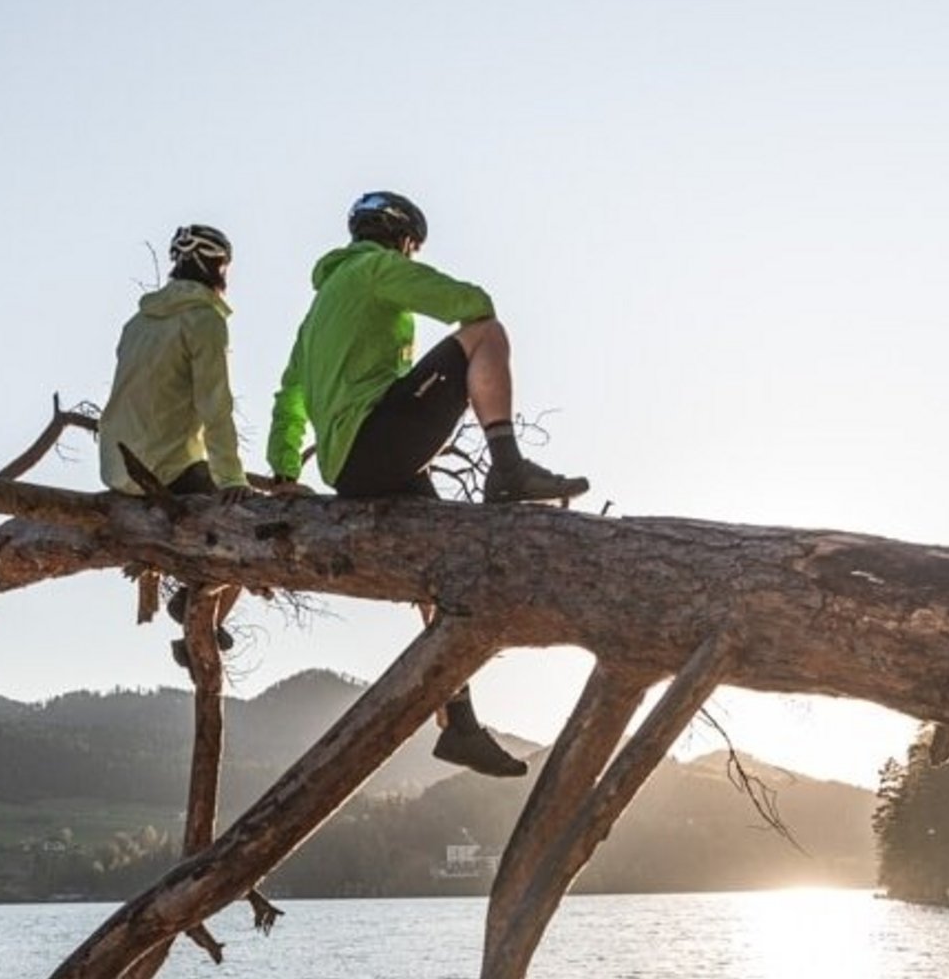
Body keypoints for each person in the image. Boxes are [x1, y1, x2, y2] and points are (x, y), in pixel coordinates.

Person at [266, 191, 587, 776]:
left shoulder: (315, 314)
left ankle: (459, 722)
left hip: (348, 469)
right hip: (375, 442)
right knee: (487, 334)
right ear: (403, 240)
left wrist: (286, 471)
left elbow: (288, 397)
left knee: (442, 577)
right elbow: (472, 303)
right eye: (412, 249)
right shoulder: (376, 269)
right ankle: (507, 466)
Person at [98, 224, 250, 668]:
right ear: (217, 267)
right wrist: (232, 479)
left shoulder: (137, 323)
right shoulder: (204, 320)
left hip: (115, 467)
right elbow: (214, 406)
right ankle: (196, 614)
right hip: (165, 467)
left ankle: (195, 611)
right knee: (245, 536)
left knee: (206, 528)